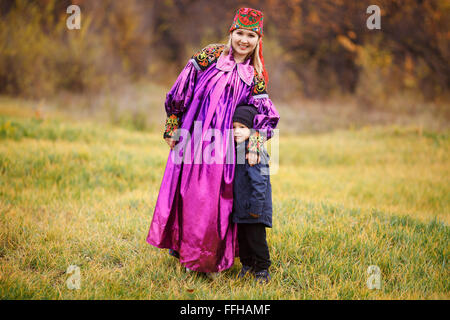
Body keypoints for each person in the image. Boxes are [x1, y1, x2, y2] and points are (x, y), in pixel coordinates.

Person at [146, 7, 280, 275]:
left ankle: (210, 258)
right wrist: (173, 123)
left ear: (258, 40)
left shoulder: (254, 76)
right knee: (192, 197)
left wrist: (254, 139)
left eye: (251, 36)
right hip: (195, 138)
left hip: (224, 150)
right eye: (240, 33)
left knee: (216, 202)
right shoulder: (209, 55)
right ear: (232, 32)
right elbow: (180, 89)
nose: (244, 40)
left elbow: (267, 115)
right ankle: (190, 254)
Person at [232, 105, 272, 284]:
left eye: (242, 128)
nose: (237, 132)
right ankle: (247, 265)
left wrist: (256, 207)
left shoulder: (253, 151)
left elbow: (260, 181)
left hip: (255, 208)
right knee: (243, 239)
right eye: (234, 127)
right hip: (241, 206)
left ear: (252, 129)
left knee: (256, 239)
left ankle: (262, 269)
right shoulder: (239, 148)